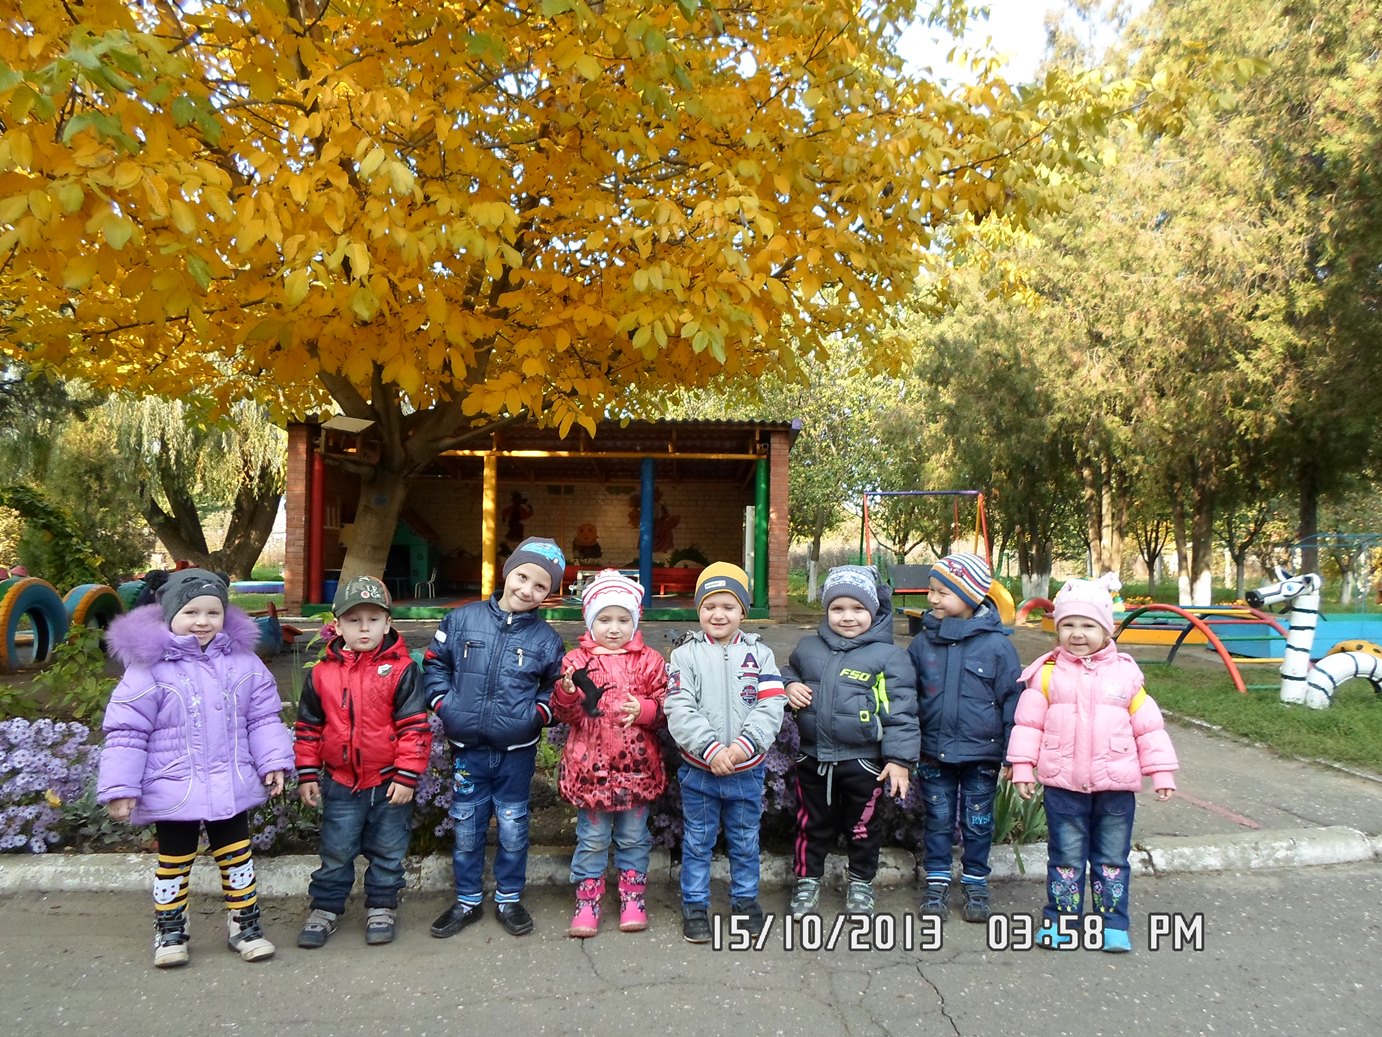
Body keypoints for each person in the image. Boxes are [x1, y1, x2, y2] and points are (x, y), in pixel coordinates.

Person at [96, 569, 294, 968]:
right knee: (174, 860)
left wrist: (273, 759)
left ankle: (244, 923)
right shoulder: (148, 668)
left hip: (230, 781)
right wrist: (121, 786)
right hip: (173, 783)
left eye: (212, 612)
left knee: (237, 855)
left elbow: (262, 717)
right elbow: (127, 732)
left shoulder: (243, 662)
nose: (202, 621)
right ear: (171, 614)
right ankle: (170, 927)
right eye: (191, 612)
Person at [1007, 575, 1179, 953]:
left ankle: (1112, 923)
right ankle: (1062, 920)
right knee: (1065, 859)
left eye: (1088, 625)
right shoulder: (1047, 674)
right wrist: (1022, 766)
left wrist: (1161, 771)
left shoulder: (1126, 674)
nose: (1077, 634)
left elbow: (1148, 727)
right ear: (1057, 628)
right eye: (1068, 624)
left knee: (1112, 859)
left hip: (1115, 788)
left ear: (1107, 629)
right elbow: (1028, 725)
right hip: (1063, 787)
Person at [424, 536, 567, 938]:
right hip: (467, 750)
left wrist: (537, 715)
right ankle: (467, 900)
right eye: (522, 577)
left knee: (513, 827)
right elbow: (435, 664)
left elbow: (555, 687)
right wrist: (443, 704)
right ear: (508, 572)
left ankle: (509, 898)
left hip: (516, 753)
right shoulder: (461, 619)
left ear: (548, 594)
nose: (527, 589)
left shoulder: (546, 640)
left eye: (540, 586)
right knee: (467, 827)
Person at [293, 575, 432, 949]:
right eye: (354, 620)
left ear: (388, 623)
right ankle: (325, 908)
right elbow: (308, 727)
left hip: (389, 783)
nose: (364, 628)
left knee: (388, 851)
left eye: (373, 619)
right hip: (340, 782)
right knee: (336, 851)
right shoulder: (322, 674)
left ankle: (382, 906)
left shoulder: (402, 670)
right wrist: (307, 773)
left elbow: (414, 727)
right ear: (337, 626)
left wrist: (407, 775)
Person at [782, 565, 918, 918]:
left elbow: (901, 712)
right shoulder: (808, 647)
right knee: (810, 824)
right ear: (826, 610)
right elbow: (788, 671)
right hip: (813, 758)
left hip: (864, 763)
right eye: (838, 608)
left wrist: (899, 760)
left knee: (862, 827)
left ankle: (861, 883)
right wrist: (789, 685)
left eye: (858, 608)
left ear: (873, 610)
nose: (847, 617)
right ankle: (807, 880)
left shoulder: (889, 657)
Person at [665, 562, 787, 944]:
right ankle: (695, 905)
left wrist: (743, 747)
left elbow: (771, 705)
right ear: (698, 609)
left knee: (745, 840)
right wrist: (711, 748)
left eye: (728, 606)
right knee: (698, 840)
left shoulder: (760, 655)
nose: (718, 614)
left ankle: (745, 900)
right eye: (709, 606)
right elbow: (678, 707)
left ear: (743, 612)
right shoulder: (685, 657)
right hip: (699, 770)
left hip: (746, 769)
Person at [905, 552, 1022, 924]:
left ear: (970, 597)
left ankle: (975, 881)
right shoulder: (922, 644)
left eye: (943, 592)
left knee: (978, 821)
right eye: (931, 591)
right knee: (938, 819)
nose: (932, 599)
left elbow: (1013, 701)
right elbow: (906, 697)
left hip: (981, 755)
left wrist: (1014, 755)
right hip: (933, 752)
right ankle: (937, 880)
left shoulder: (998, 647)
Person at [550, 570, 668, 938]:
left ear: (634, 622)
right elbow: (566, 714)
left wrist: (645, 710)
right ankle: (588, 900)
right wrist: (567, 693)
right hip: (591, 770)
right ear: (590, 621)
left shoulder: (649, 661)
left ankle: (633, 896)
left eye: (622, 619)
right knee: (592, 839)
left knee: (634, 837)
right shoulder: (575, 662)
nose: (614, 628)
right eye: (604, 619)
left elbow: (667, 705)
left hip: (637, 767)